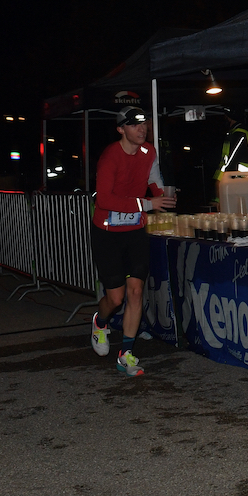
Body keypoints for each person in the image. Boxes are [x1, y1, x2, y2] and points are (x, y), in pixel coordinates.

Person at [89, 107, 176, 376]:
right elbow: (104, 199)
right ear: (121, 129)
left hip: (135, 228)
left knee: (136, 291)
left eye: (145, 125)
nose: (142, 130)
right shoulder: (109, 157)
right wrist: (149, 202)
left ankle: (126, 354)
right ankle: (100, 322)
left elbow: (154, 179)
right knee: (115, 298)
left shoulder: (149, 151)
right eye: (135, 125)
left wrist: (165, 196)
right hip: (107, 232)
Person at [214, 106, 248, 180]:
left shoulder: (239, 135)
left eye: (226, 117)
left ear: (230, 118)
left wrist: (219, 180)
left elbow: (229, 162)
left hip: (238, 180)